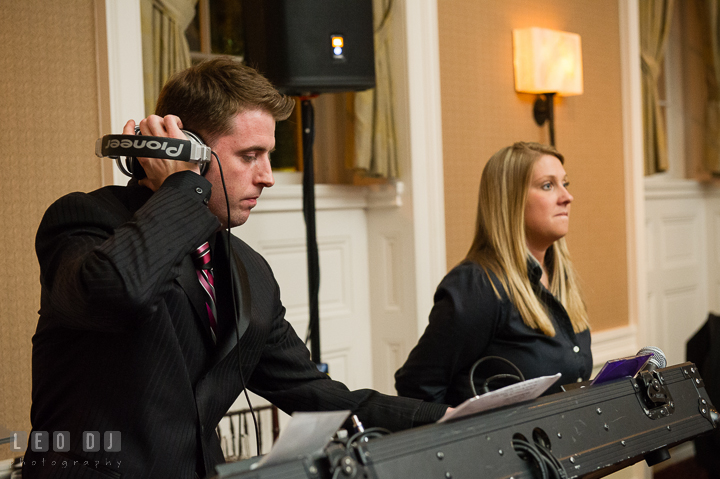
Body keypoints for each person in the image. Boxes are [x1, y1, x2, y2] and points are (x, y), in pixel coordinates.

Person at [25, 57, 449, 479]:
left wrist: (451, 417)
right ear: (188, 149)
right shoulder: (83, 218)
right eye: (250, 155)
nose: (267, 177)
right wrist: (182, 186)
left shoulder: (251, 272)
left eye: (268, 155)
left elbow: (316, 394)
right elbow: (118, 295)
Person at [395, 142, 592, 407]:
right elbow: (417, 386)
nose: (567, 197)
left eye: (565, 184)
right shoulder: (478, 285)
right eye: (548, 185)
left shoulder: (560, 277)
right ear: (510, 200)